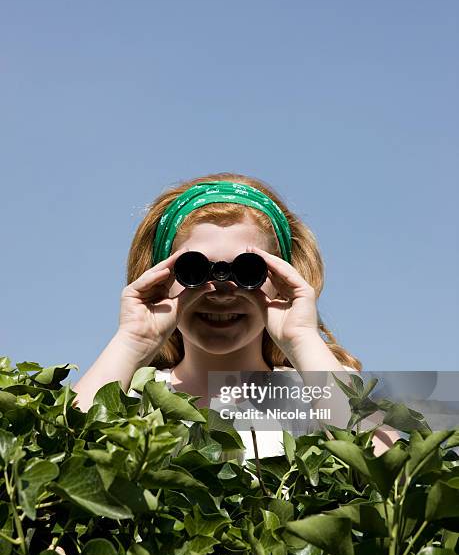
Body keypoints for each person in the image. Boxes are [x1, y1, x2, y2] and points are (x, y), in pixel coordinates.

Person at [72, 172, 400, 459]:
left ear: (283, 278)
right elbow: (56, 453)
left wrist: (302, 339)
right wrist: (131, 342)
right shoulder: (129, 395)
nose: (221, 290)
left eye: (248, 271)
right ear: (162, 278)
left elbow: (395, 474)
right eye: (193, 270)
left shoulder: (318, 386)